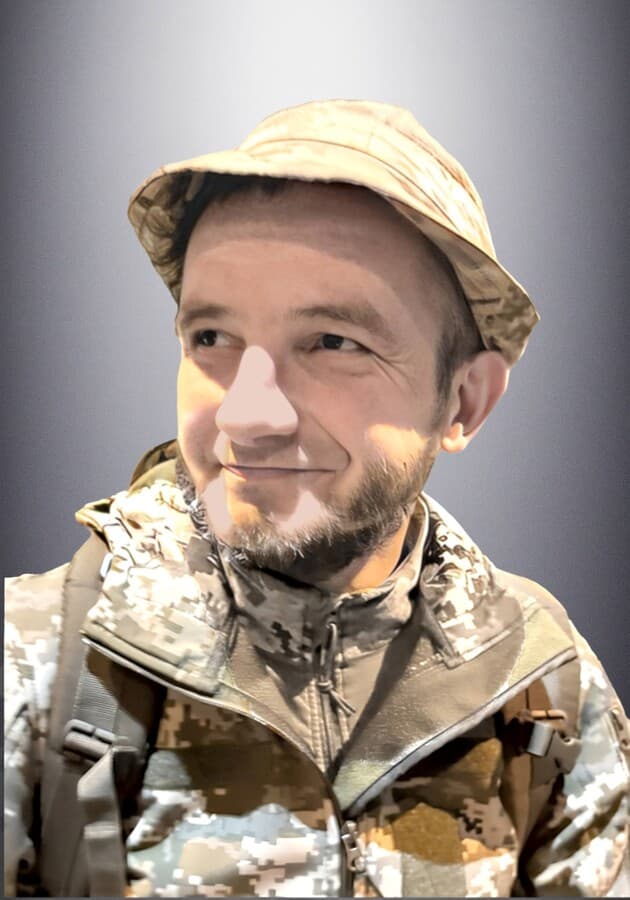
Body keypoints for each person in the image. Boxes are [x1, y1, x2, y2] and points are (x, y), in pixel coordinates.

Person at [4, 99, 629, 898]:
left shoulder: (541, 683)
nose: (245, 416)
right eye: (211, 338)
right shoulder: (36, 662)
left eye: (334, 342)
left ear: (464, 402)